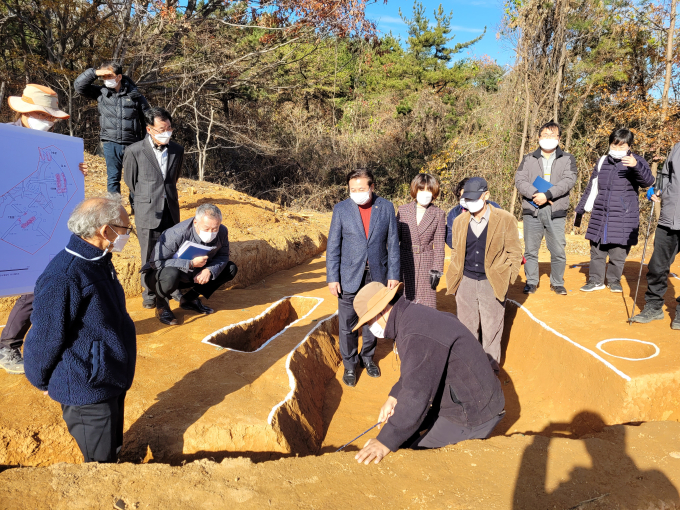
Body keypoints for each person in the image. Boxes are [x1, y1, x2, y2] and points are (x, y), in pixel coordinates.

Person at [23, 196, 136, 463]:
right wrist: (40, 379)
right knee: (100, 463)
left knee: (112, 448)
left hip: (109, 377)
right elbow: (45, 336)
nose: (128, 234)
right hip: (87, 388)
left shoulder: (98, 259)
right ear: (105, 230)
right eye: (125, 229)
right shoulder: (65, 275)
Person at [350, 281, 505, 465]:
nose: (369, 328)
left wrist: (384, 441)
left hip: (473, 412)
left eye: (369, 322)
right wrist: (393, 397)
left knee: (415, 457)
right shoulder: (412, 316)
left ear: (382, 311)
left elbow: (416, 395)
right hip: (461, 396)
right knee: (408, 434)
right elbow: (416, 369)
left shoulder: (415, 334)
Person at [0, 84, 88, 375]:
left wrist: (76, 173)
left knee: (37, 289)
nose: (47, 121)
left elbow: (62, 190)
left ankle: (9, 345)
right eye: (42, 114)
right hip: (10, 227)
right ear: (24, 111)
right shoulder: (5, 138)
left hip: (39, 233)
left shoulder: (55, 151)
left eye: (51, 117)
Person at [326, 169, 400, 387]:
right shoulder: (341, 209)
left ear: (372, 187)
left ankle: (367, 358)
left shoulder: (385, 207)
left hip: (377, 275)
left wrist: (394, 274)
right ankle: (350, 365)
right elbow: (333, 246)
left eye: (361, 188)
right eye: (352, 189)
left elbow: (393, 243)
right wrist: (333, 277)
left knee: (372, 319)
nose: (356, 192)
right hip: (348, 275)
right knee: (348, 323)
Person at [445, 177, 523, 363]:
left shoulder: (505, 219)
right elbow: (456, 252)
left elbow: (515, 252)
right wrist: (455, 277)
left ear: (486, 195)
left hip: (492, 282)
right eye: (467, 199)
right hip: (465, 281)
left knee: (492, 329)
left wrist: (507, 277)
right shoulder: (459, 221)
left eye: (474, 198)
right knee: (466, 328)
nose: (470, 203)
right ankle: (469, 365)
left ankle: (491, 368)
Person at [575, 128, 654, 293]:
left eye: (621, 146)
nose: (617, 150)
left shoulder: (636, 161)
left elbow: (648, 181)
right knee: (597, 250)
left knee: (618, 253)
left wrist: (636, 166)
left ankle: (614, 281)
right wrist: (580, 210)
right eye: (614, 145)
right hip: (600, 214)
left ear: (629, 146)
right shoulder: (602, 161)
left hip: (623, 216)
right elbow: (592, 187)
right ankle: (595, 280)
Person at [123, 107, 183, 308]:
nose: (166, 132)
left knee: (172, 251)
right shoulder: (134, 151)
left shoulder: (177, 150)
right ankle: (149, 294)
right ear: (149, 129)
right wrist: (147, 199)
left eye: (169, 128)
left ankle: (171, 286)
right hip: (147, 211)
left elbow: (173, 179)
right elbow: (131, 182)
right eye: (161, 129)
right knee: (148, 253)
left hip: (171, 209)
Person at [143, 204, 238, 326]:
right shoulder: (175, 234)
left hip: (194, 274)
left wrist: (209, 270)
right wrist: (190, 263)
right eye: (206, 228)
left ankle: (189, 299)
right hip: (162, 276)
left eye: (215, 229)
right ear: (195, 222)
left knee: (230, 269)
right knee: (171, 273)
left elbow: (223, 256)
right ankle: (162, 305)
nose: (211, 233)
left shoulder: (222, 231)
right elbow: (156, 262)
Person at [515, 121, 577, 295]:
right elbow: (520, 181)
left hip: (556, 210)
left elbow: (569, 181)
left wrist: (547, 195)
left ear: (559, 138)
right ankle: (532, 281)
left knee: (558, 249)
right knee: (530, 250)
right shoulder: (528, 158)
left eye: (553, 135)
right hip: (532, 209)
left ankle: (557, 282)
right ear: (539, 137)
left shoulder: (568, 158)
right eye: (545, 135)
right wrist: (536, 194)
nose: (548, 138)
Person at [74, 61, 149, 198]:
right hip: (110, 142)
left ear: (119, 76)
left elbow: (147, 118)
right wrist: (95, 73)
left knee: (134, 179)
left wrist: (146, 142)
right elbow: (79, 87)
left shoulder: (135, 95)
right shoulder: (101, 93)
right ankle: (114, 212)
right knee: (113, 179)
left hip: (132, 144)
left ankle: (137, 210)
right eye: (104, 77)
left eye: (109, 75)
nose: (106, 79)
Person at [630, 139, 680, 329]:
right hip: (669, 217)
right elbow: (665, 175)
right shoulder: (677, 147)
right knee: (657, 266)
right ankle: (653, 307)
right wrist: (658, 190)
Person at [396, 174, 446, 308]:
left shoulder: (439, 214)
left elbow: (440, 245)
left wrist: (437, 270)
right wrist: (393, 266)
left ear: (434, 192)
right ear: (414, 190)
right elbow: (394, 240)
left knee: (426, 304)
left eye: (429, 190)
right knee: (403, 301)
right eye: (421, 190)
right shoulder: (403, 210)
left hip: (426, 262)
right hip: (404, 260)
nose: (425, 194)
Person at [445, 177, 501, 249]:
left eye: (471, 195)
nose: (468, 199)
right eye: (464, 196)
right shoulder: (454, 213)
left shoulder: (495, 208)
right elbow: (450, 237)